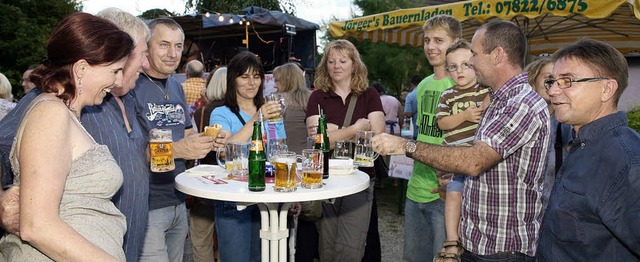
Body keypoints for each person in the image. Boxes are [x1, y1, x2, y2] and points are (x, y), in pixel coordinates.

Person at [372, 20, 550, 261]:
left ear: (497, 55)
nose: (472, 62)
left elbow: (474, 161)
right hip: (480, 241)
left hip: (501, 248)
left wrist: (405, 145)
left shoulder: (519, 103)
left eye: (474, 55)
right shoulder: (496, 98)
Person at [0, 12, 134, 261]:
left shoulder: (65, 113)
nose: (117, 82)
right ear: (82, 68)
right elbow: (37, 227)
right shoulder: (51, 113)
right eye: (115, 71)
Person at [536, 39, 640, 261]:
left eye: (567, 81)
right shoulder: (582, 144)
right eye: (552, 81)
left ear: (607, 89)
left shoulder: (625, 160)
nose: (553, 91)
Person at [132, 17, 218, 262]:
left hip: (179, 199)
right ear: (146, 46)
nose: (173, 53)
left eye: (178, 46)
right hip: (148, 205)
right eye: (164, 45)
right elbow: (132, 152)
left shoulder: (176, 85)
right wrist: (181, 149)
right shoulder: (130, 86)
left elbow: (187, 133)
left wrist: (210, 139)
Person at [305, 39, 385, 262]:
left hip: (359, 179)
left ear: (354, 64)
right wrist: (356, 129)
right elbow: (319, 141)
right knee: (327, 248)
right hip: (326, 181)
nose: (336, 65)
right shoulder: (317, 97)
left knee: (351, 248)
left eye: (342, 60)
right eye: (331, 61)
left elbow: (377, 135)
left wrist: (334, 132)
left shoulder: (369, 95)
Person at [209, 51, 283, 262]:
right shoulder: (221, 113)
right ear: (233, 79)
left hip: (266, 197)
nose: (251, 83)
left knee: (264, 257)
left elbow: (277, 151)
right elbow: (225, 150)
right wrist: (258, 119)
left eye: (256, 76)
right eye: (244, 76)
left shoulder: (271, 111)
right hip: (233, 198)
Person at [402, 15, 461, 262]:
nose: (431, 46)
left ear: (456, 42)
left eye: (439, 40)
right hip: (415, 189)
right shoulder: (423, 86)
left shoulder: (463, 85)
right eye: (427, 40)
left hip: (446, 195)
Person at [432, 39, 489, 261]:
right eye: (453, 67)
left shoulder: (485, 90)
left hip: (478, 158)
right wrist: (465, 116)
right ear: (448, 70)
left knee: (475, 202)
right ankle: (452, 241)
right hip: (454, 160)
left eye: (465, 64)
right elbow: (442, 123)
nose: (459, 71)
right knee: (454, 195)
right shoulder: (447, 95)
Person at [524, 57, 573, 210]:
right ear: (532, 85)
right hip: (525, 208)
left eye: (561, 81)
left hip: (556, 207)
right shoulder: (522, 123)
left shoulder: (565, 123)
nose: (554, 85)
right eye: (549, 79)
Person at [189, 66, 227, 262]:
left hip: (203, 185)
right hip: (229, 186)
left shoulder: (201, 113)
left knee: (201, 241)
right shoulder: (235, 111)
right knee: (227, 242)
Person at [273, 62, 310, 154]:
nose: (274, 85)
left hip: (281, 158)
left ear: (287, 80)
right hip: (308, 158)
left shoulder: (275, 99)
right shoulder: (312, 98)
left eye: (277, 81)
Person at [404, 75, 421, 139]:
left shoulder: (410, 96)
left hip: (417, 131)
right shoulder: (428, 92)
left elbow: (408, 114)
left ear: (412, 84)